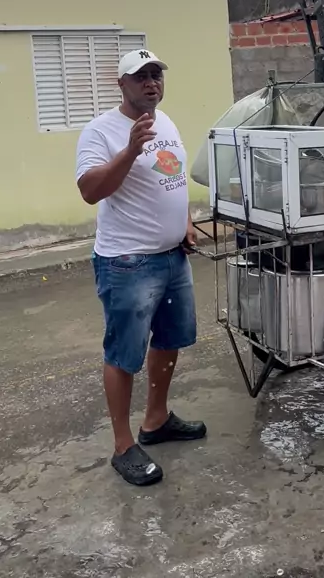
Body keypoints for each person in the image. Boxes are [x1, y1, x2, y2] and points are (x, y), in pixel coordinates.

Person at [76, 48, 206, 486]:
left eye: (156, 75)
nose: (151, 82)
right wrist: (130, 150)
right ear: (122, 84)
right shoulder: (100, 131)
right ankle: (122, 445)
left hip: (172, 257)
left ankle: (156, 420)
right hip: (128, 262)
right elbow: (90, 191)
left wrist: (184, 221)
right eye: (141, 76)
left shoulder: (164, 121)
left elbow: (171, 178)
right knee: (123, 354)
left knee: (169, 340)